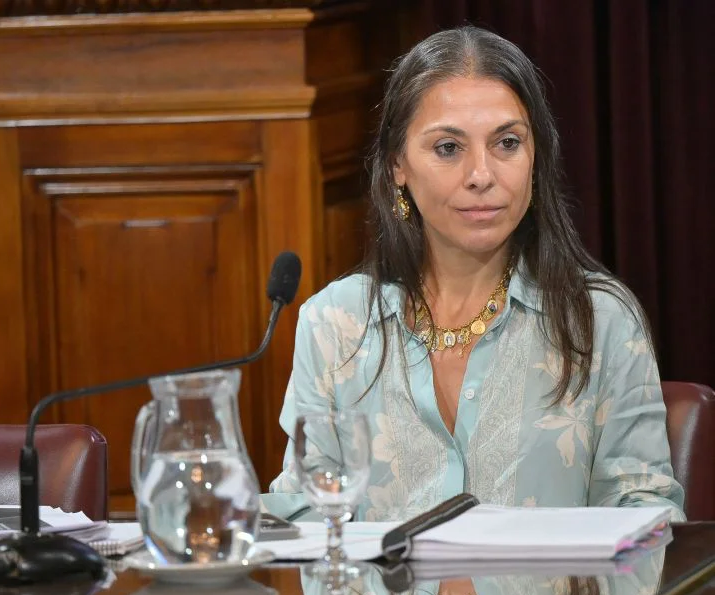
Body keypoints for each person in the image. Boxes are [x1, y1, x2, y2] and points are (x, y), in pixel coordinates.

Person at [260, 25, 684, 524]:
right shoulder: (334, 324)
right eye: (448, 148)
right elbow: (305, 515)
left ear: (535, 158)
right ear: (397, 165)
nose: (481, 175)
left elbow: (648, 519)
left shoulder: (600, 320)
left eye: (507, 143)